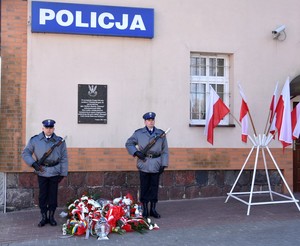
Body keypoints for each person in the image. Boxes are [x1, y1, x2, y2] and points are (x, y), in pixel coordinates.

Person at [22, 119, 68, 227]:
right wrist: (33, 164)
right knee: (42, 196)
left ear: (53, 129)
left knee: (53, 195)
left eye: (51, 128)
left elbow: (64, 158)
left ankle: (51, 217)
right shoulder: (35, 140)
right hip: (42, 171)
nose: (49, 130)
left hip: (55, 171)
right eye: (47, 128)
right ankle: (43, 217)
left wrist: (63, 173)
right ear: (43, 128)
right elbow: (26, 153)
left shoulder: (59, 141)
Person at [125, 112, 169, 219]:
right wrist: (136, 152)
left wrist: (164, 164)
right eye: (149, 120)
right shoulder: (139, 133)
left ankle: (153, 209)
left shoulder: (161, 134)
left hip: (156, 163)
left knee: (154, 187)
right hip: (144, 163)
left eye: (152, 120)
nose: (151, 122)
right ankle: (145, 209)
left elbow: (165, 150)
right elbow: (129, 143)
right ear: (145, 122)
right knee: (144, 186)